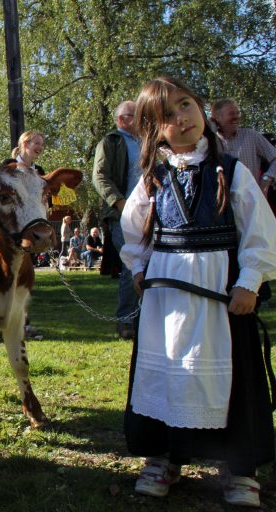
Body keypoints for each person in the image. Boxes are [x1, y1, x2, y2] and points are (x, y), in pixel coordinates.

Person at [120, 76, 276, 508]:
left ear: (200, 107)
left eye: (185, 104)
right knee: (167, 374)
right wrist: (139, 268)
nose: (181, 118)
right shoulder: (152, 179)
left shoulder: (232, 171)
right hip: (167, 302)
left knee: (230, 378)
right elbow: (134, 230)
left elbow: (260, 232)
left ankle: (239, 468)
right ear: (154, 130)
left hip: (221, 299)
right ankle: (164, 457)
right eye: (167, 115)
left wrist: (249, 282)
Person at [0, 130, 45, 342]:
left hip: (30, 228)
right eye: (36, 143)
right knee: (3, 275)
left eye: (41, 144)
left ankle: (23, 322)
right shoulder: (8, 166)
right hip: (8, 229)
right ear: (24, 144)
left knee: (24, 276)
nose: (40, 147)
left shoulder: (39, 171)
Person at [92, 100, 142, 339]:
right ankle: (126, 320)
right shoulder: (111, 141)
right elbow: (100, 177)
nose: (141, 118)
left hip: (149, 212)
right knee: (132, 263)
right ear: (122, 119)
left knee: (152, 264)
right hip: (123, 214)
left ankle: (146, 317)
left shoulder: (147, 141)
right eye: (135, 115)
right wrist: (121, 203)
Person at [210, 98, 276, 194]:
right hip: (222, 200)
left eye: (238, 113)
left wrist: (267, 178)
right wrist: (211, 132)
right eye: (231, 114)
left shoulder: (250, 135)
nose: (237, 117)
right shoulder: (210, 142)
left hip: (251, 198)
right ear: (217, 118)